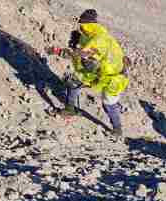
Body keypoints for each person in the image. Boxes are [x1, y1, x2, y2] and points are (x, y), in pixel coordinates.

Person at [46, 9, 130, 137]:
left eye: (81, 26)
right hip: (106, 72)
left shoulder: (98, 40)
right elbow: (87, 55)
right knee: (75, 82)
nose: (80, 28)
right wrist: (78, 46)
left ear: (86, 25)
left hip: (112, 78)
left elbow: (86, 60)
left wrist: (58, 51)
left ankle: (117, 130)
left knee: (109, 103)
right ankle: (70, 110)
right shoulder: (96, 34)